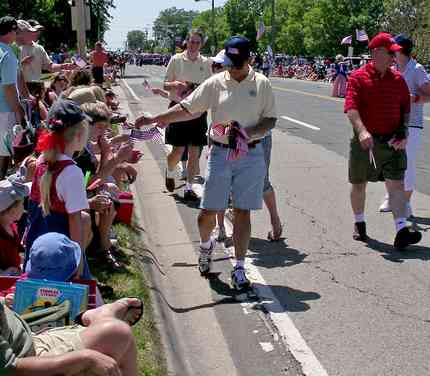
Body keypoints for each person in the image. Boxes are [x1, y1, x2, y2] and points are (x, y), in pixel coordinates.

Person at [136, 36, 277, 290]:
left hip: (250, 154)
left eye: (234, 62)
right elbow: (189, 108)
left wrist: (249, 134)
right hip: (222, 154)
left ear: (248, 60)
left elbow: (270, 120)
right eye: (227, 62)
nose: (229, 67)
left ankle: (240, 267)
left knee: (243, 211)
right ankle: (205, 247)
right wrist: (157, 118)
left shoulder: (262, 84)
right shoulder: (216, 82)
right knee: (207, 213)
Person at [345, 32, 421, 250]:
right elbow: (351, 107)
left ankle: (401, 231)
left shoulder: (397, 79)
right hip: (365, 142)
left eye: (395, 54)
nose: (394, 58)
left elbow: (405, 108)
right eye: (391, 53)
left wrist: (403, 132)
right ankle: (359, 223)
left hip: (392, 142)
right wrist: (361, 131)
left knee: (396, 185)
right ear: (377, 53)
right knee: (359, 184)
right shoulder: (358, 77)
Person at [0, 295, 142, 376]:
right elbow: (12, 370)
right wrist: (86, 358)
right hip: (29, 362)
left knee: (117, 335)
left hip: (28, 339)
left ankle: (100, 318)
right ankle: (100, 317)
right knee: (117, 333)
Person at [25, 99, 93, 259]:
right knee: (84, 219)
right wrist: (78, 263)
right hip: (60, 254)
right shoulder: (72, 172)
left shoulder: (41, 160)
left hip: (36, 247)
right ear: (78, 135)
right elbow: (75, 221)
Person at [379, 34, 430, 217]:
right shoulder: (392, 69)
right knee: (388, 162)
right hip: (390, 123)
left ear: (401, 50)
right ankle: (391, 196)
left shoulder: (416, 69)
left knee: (405, 164)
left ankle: (405, 202)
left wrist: (413, 98)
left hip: (411, 125)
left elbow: (429, 95)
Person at [162, 29, 212, 202]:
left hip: (198, 112)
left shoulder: (206, 63)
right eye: (191, 41)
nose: (194, 45)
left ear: (201, 44)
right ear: (186, 41)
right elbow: (165, 84)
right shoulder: (176, 60)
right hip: (178, 109)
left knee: (194, 153)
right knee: (178, 151)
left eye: (197, 42)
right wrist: (175, 84)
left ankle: (189, 188)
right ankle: (169, 170)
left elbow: (211, 86)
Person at [0, 16, 25, 179]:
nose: (17, 35)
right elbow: (9, 87)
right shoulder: (7, 54)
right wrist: (18, 110)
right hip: (4, 109)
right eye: (16, 31)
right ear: (11, 32)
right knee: (4, 151)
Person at [0, 175, 28, 275]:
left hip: (13, 279)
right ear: (11, 209)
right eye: (21, 204)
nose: (24, 209)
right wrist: (4, 273)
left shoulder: (12, 226)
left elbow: (15, 251)